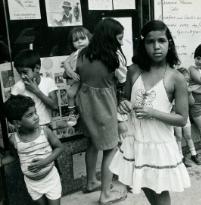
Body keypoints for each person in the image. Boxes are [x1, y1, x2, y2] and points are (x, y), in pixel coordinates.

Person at [110, 20, 190, 205]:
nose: (156, 47)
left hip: (159, 143)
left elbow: (182, 119)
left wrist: (152, 112)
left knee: (160, 191)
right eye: (150, 42)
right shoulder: (134, 71)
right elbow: (126, 99)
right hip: (137, 140)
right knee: (144, 183)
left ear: (169, 43)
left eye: (161, 41)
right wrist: (123, 104)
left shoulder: (176, 78)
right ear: (143, 44)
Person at [75, 18, 126, 204]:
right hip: (104, 104)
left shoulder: (82, 53)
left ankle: (91, 182)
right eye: (119, 38)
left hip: (85, 102)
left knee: (93, 143)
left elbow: (76, 72)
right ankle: (105, 194)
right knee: (111, 148)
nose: (121, 42)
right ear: (110, 37)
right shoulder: (113, 57)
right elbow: (122, 79)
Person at [2, 95, 63, 205]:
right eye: (30, 115)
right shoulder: (13, 140)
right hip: (32, 183)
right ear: (17, 123)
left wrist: (45, 162)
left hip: (50, 179)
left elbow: (59, 148)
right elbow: (15, 156)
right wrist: (2, 162)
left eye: (35, 112)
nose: (36, 117)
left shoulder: (45, 132)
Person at [11, 49, 58, 127]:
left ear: (37, 68)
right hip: (27, 128)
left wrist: (36, 91)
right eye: (19, 73)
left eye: (25, 72)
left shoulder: (48, 82)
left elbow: (55, 106)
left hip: (46, 125)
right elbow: (13, 112)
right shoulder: (17, 87)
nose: (22, 76)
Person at [63, 27, 92, 126]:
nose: (79, 42)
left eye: (82, 38)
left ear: (89, 38)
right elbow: (66, 63)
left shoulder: (93, 52)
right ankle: (72, 113)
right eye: (76, 40)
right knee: (70, 93)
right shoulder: (74, 54)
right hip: (78, 79)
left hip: (91, 81)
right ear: (72, 43)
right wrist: (71, 72)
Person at [174, 67, 201, 167]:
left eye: (187, 81)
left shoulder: (187, 92)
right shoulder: (172, 92)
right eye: (182, 81)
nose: (185, 84)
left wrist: (189, 93)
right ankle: (180, 156)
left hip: (185, 117)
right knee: (178, 137)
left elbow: (192, 102)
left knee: (188, 136)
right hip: (175, 118)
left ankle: (194, 154)